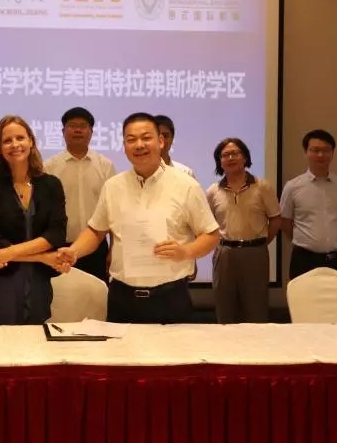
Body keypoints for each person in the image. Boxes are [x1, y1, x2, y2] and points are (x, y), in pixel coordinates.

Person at [57, 113, 219, 324]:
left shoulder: (186, 185)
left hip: (170, 297)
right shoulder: (113, 186)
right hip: (122, 297)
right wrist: (74, 251)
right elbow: (96, 230)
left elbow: (211, 234)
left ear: (161, 141)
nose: (139, 145)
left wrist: (186, 252)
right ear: (124, 146)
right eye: (131, 139)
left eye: (146, 138)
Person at [0, 115, 68, 325]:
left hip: (38, 283)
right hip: (0, 282)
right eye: (7, 141)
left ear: (31, 141)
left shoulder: (51, 185)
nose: (15, 144)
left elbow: (56, 234)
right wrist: (42, 257)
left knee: (34, 340)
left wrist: (10, 254)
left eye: (20, 138)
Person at [206, 138, 280, 324]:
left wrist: (260, 242)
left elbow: (276, 219)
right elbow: (207, 225)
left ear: (245, 157)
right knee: (225, 311)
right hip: (224, 254)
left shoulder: (262, 187)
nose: (230, 158)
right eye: (225, 155)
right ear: (219, 161)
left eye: (235, 153)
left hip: (255, 253)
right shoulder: (213, 191)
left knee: (256, 311)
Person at [44, 107, 115, 282]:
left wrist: (113, 249)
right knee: (59, 296)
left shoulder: (105, 166)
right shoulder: (49, 167)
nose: (77, 130)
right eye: (72, 126)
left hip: (96, 248)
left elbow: (114, 212)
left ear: (91, 132)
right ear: (63, 131)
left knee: (96, 294)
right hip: (60, 248)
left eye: (83, 126)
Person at [281, 129, 337, 279]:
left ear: (332, 153)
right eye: (315, 150)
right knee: (303, 295)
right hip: (305, 260)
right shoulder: (292, 186)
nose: (321, 155)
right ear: (306, 152)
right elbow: (285, 223)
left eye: (326, 150)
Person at [154, 114, 198, 181]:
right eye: (157, 135)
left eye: (165, 136)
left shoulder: (185, 173)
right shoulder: (139, 174)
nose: (161, 140)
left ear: (172, 139)